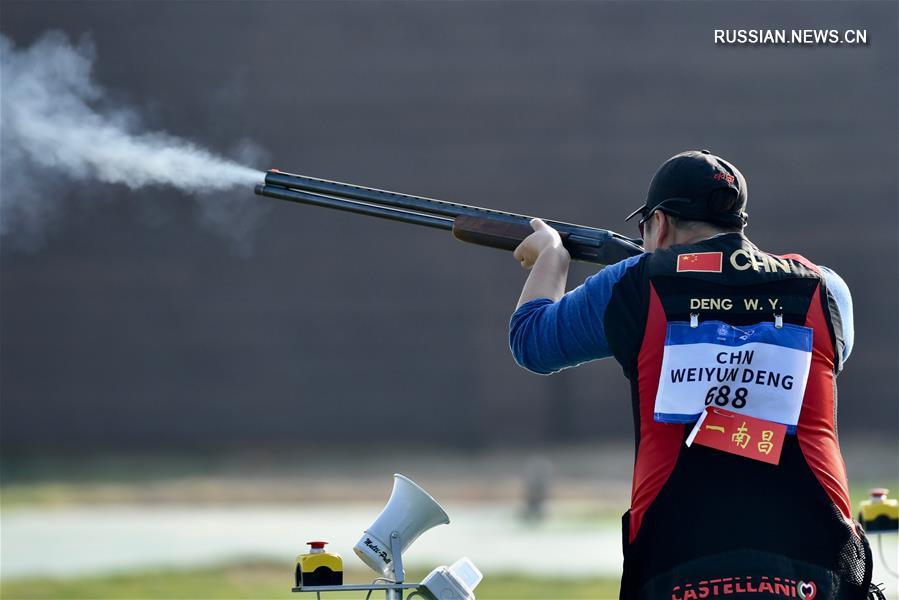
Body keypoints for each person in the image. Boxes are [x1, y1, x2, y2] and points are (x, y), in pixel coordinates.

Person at [508, 150, 877, 599]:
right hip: (823, 565)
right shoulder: (826, 288)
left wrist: (553, 256)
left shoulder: (632, 284)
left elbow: (531, 341)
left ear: (659, 224)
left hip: (677, 565)